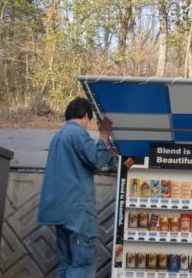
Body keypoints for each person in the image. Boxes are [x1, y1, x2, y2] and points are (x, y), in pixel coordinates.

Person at [38, 97, 115, 278]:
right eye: (89, 119)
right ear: (86, 115)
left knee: (66, 264)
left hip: (58, 212)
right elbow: (96, 160)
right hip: (77, 213)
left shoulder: (58, 136)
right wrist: (104, 135)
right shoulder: (77, 134)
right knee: (82, 265)